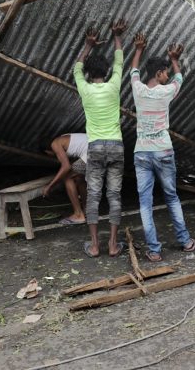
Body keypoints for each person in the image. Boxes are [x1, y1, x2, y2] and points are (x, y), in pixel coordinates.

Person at [130, 33, 195, 262]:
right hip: (164, 151)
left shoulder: (138, 90)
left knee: (145, 204)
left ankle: (154, 250)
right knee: (171, 197)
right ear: (159, 73)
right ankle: (185, 241)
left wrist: (138, 49)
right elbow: (180, 78)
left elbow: (134, 71)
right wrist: (175, 58)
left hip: (141, 152)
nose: (167, 75)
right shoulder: (166, 91)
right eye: (165, 72)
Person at [74, 20, 128, 258]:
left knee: (94, 196)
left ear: (89, 73)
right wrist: (117, 36)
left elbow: (76, 67)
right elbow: (119, 60)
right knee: (114, 196)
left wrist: (87, 45)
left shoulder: (84, 88)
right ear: (106, 73)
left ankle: (95, 246)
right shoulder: (114, 85)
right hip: (116, 146)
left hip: (95, 147)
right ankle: (113, 245)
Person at [41, 133, 88, 225]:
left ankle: (78, 215)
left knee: (67, 177)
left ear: (47, 151)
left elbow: (66, 166)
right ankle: (88, 210)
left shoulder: (55, 144)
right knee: (79, 177)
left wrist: (50, 186)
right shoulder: (65, 138)